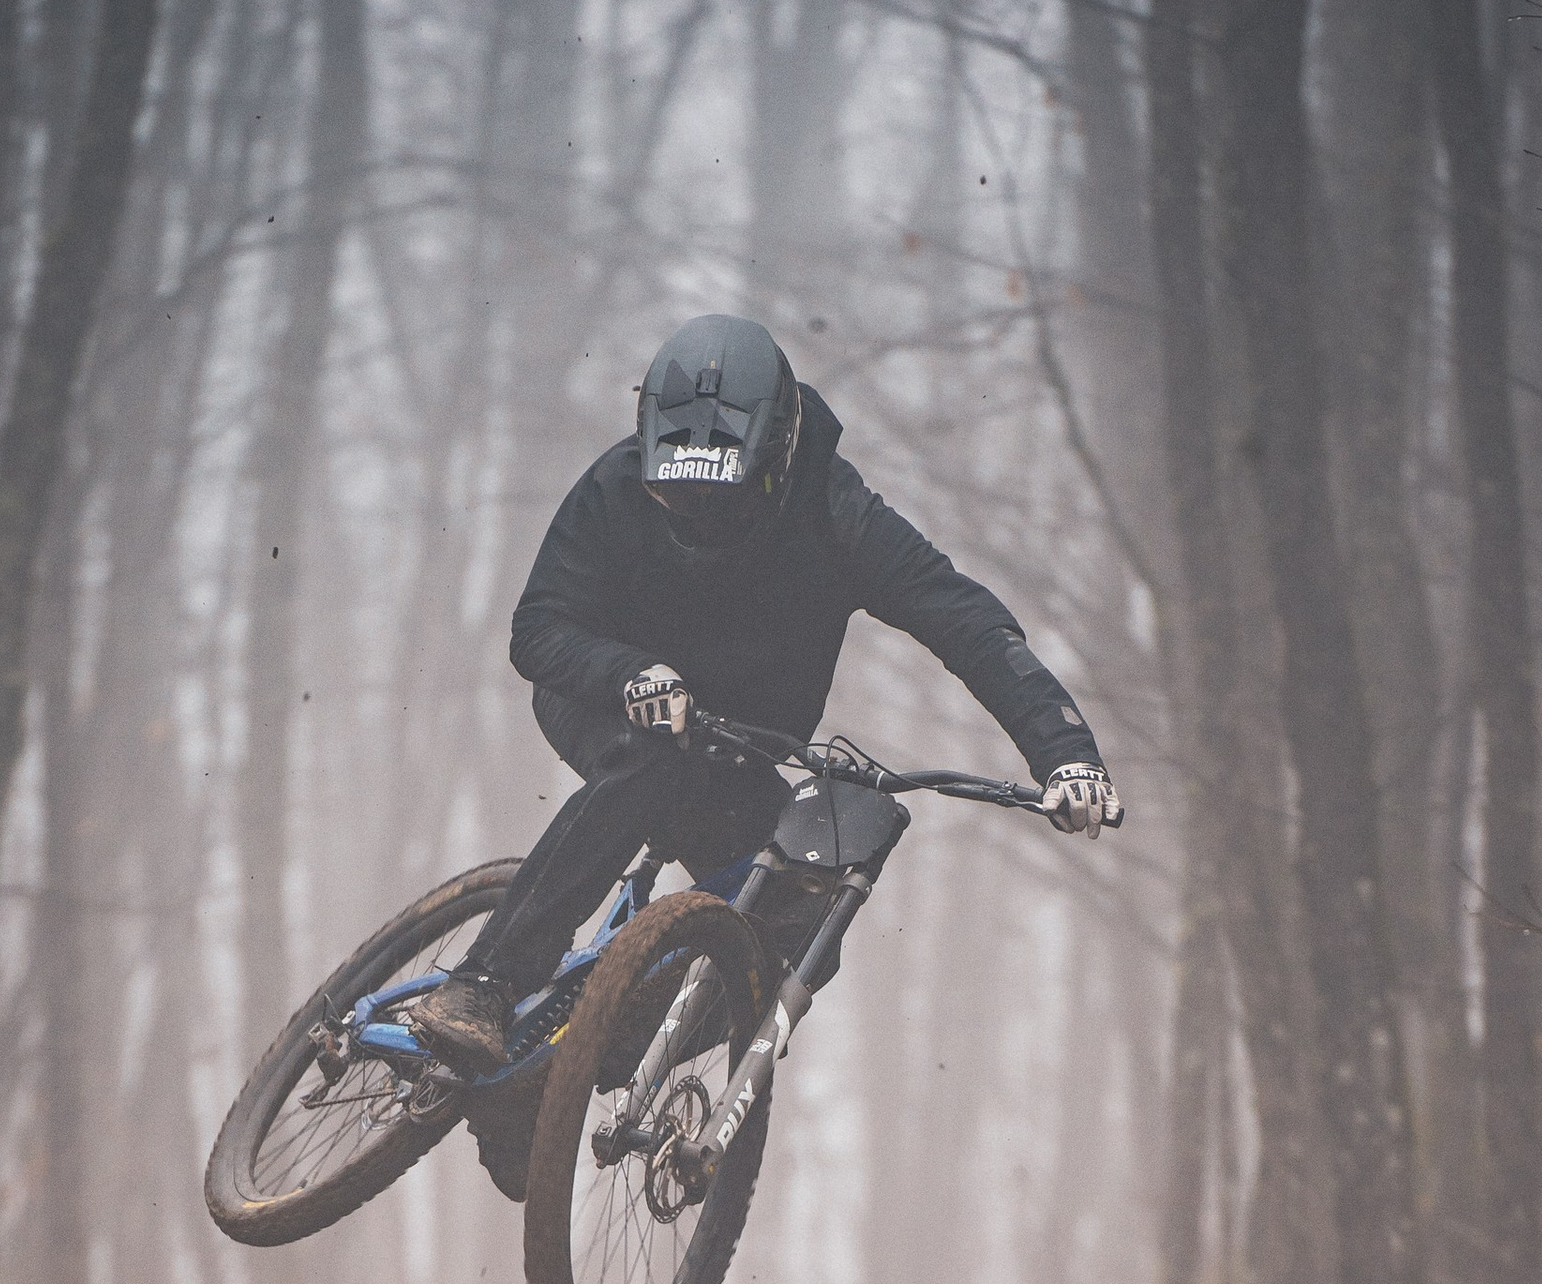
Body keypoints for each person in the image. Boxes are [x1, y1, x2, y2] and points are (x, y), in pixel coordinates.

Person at [396, 312, 1121, 1079]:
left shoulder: (838, 515)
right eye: (676, 504)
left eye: (727, 505)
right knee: (651, 760)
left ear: (777, 458)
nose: (700, 527)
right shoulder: (616, 484)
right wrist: (630, 674)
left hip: (735, 747)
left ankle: (570, 1078)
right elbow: (539, 629)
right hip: (604, 700)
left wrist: (1067, 755)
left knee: (806, 920)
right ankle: (484, 982)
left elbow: (968, 624)